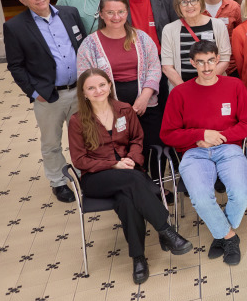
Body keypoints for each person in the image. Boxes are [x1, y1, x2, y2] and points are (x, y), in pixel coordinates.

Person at [68, 68, 191, 284]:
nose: (98, 91)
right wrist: (114, 164)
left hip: (128, 171)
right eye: (91, 88)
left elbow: (137, 139)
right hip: (97, 178)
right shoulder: (77, 121)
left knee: (127, 201)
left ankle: (138, 258)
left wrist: (132, 159)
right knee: (134, 180)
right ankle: (165, 230)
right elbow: (79, 160)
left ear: (110, 85)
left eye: (102, 85)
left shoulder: (124, 110)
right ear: (84, 93)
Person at [160, 40, 247, 266]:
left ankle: (220, 234)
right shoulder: (180, 93)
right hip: (194, 153)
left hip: (229, 148)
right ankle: (229, 237)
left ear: (217, 60)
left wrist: (220, 137)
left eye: (211, 61)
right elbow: (167, 134)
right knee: (202, 199)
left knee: (241, 194)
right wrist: (200, 135)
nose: (206, 67)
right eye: (201, 62)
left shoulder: (234, 86)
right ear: (192, 63)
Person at [4, 0, 86, 202]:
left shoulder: (70, 13)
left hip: (80, 91)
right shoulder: (15, 27)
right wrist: (34, 92)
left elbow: (83, 45)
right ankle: (58, 182)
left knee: (83, 136)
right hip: (48, 95)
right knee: (51, 142)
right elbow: (15, 65)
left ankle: (85, 175)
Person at [76, 0, 163, 179]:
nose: (116, 17)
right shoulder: (89, 44)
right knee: (123, 148)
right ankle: (135, 183)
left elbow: (154, 67)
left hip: (146, 103)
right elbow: (85, 78)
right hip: (109, 107)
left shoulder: (142, 38)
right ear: (101, 14)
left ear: (127, 12)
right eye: (110, 12)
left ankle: (156, 184)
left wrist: (144, 97)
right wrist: (113, 106)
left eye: (121, 12)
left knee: (152, 143)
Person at [160, 0, 231, 90]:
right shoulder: (169, 30)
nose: (189, 6)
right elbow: (167, 67)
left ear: (201, 2)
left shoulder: (218, 25)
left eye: (193, 1)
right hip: (183, 89)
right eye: (184, 2)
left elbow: (225, 60)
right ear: (178, 6)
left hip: (214, 87)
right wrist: (186, 90)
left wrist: (205, 84)